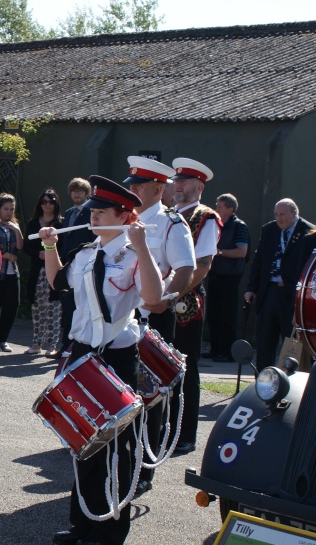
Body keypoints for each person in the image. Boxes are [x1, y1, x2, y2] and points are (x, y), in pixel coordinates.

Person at [40, 175, 163, 545]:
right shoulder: (87, 251)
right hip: (81, 352)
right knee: (83, 443)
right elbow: (58, 283)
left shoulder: (131, 253)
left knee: (115, 448)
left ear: (125, 216)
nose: (92, 218)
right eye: (91, 212)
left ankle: (108, 531)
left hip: (114, 356)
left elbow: (154, 298)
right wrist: (49, 246)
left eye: (101, 212)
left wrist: (142, 248)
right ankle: (83, 523)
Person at [121, 156, 195, 497]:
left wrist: (165, 298)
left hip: (154, 314)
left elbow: (184, 269)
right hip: (125, 317)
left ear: (157, 188)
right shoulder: (127, 220)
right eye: (131, 185)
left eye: (138, 186)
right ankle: (122, 462)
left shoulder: (170, 222)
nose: (132, 190)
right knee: (124, 392)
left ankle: (144, 467)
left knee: (152, 395)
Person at [169, 157, 221, 455]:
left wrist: (171, 295)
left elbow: (202, 266)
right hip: (162, 299)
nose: (178, 186)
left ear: (199, 186)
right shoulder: (169, 214)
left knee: (185, 369)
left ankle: (185, 433)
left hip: (185, 303)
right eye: (176, 181)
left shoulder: (206, 217)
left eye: (184, 181)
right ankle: (162, 427)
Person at [245, 198, 314, 370]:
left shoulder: (309, 232)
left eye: (283, 214)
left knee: (291, 342)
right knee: (264, 340)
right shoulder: (269, 229)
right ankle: (262, 382)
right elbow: (259, 260)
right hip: (269, 291)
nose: (279, 218)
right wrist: (251, 288)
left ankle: (289, 384)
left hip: (291, 294)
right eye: (276, 214)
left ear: (294, 213)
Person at [205, 194, 251, 362]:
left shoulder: (239, 227)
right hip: (215, 274)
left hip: (230, 277)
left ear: (230, 210)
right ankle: (215, 349)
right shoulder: (217, 225)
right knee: (213, 314)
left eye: (220, 207)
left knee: (227, 315)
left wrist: (219, 252)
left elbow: (242, 251)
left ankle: (228, 352)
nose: (216, 209)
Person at [23, 189, 63, 357]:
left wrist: (51, 253)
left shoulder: (61, 223)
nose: (47, 205)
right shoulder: (33, 223)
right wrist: (38, 253)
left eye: (51, 201)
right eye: (44, 202)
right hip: (37, 271)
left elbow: (64, 245)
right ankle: (36, 342)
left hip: (53, 269)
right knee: (38, 308)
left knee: (54, 307)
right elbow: (27, 245)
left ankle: (52, 344)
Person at [58, 178, 96, 352]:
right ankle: (66, 345)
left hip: (84, 264)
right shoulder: (68, 213)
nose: (77, 194)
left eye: (80, 191)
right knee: (67, 308)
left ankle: (74, 346)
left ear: (86, 193)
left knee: (79, 307)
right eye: (74, 191)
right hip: (68, 264)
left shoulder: (90, 212)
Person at [0, 192, 23, 353]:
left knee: (12, 306)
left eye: (11, 209)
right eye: (6, 208)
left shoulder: (14, 226)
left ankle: (4, 339)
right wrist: (6, 255)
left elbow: (21, 247)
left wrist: (17, 231)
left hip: (12, 273)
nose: (9, 212)